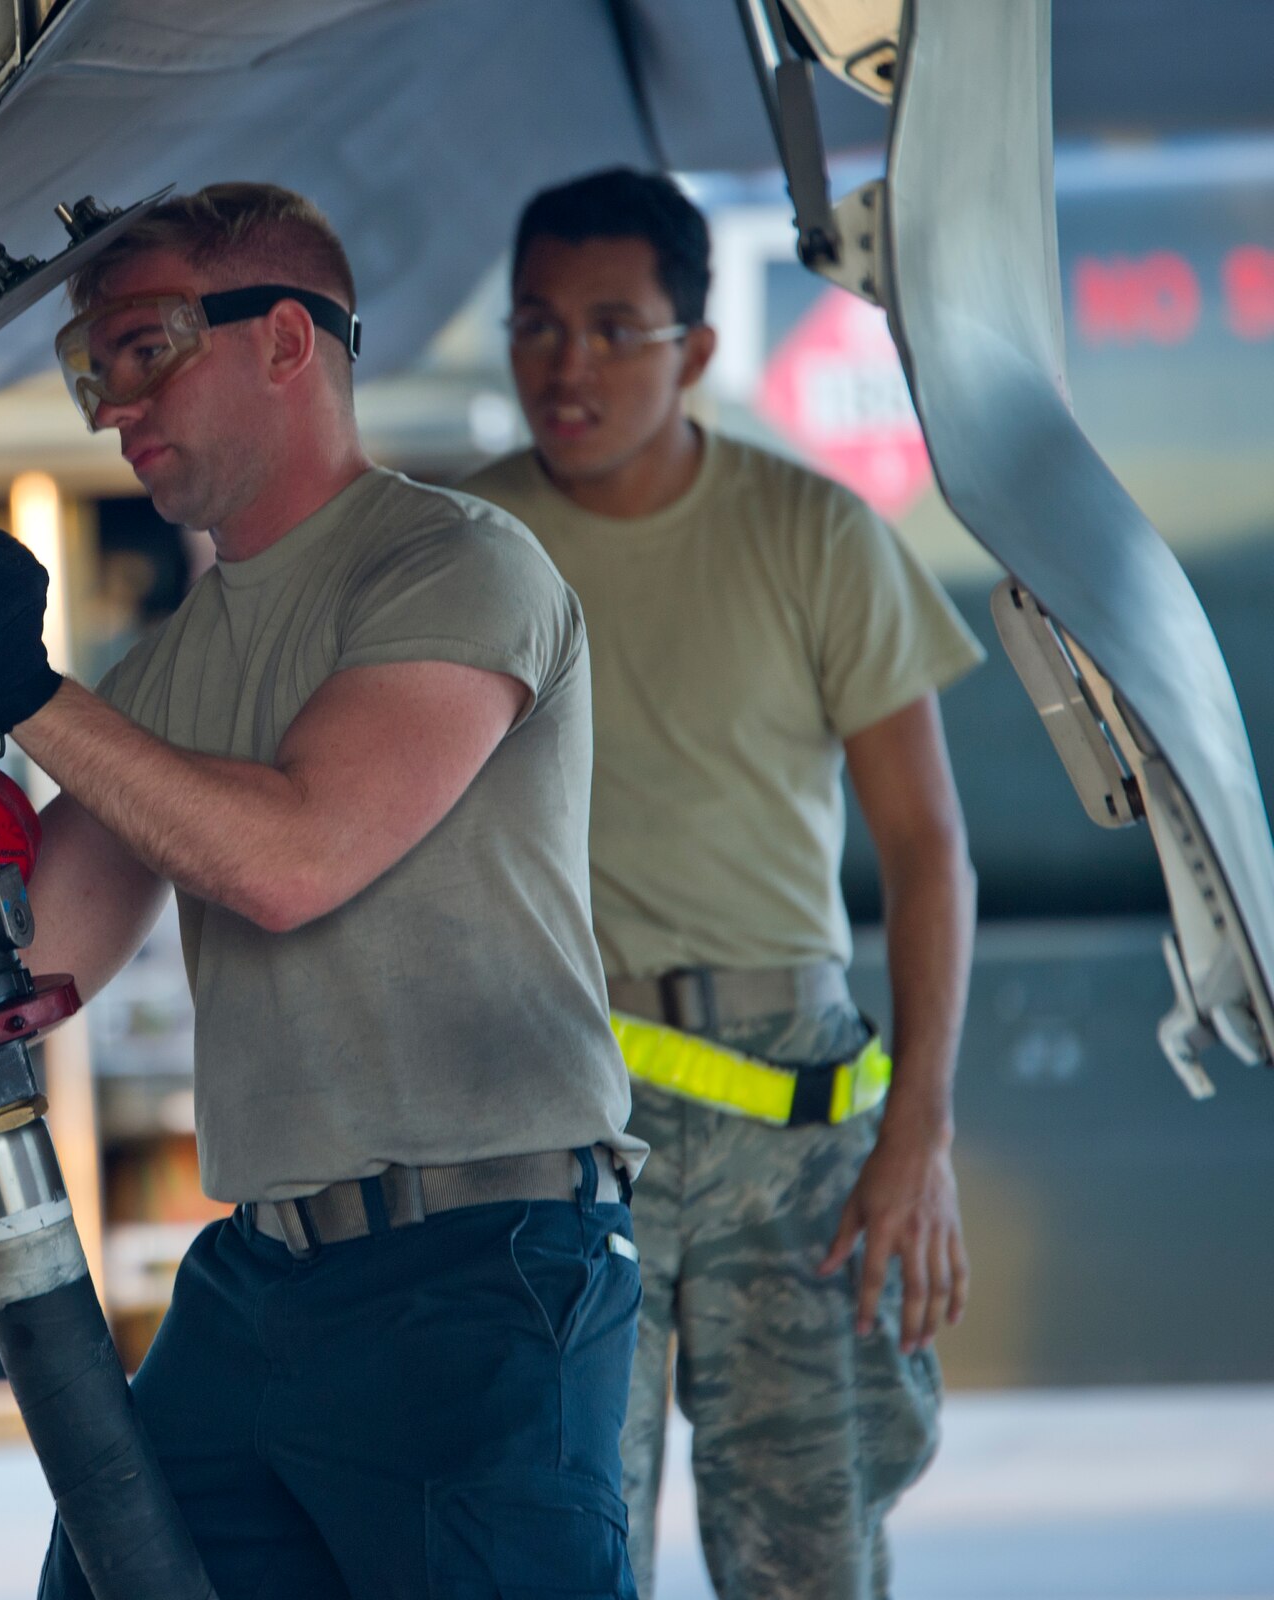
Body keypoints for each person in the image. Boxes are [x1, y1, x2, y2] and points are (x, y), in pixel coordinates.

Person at [0, 182, 646, 1599]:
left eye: (144, 352)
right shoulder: (180, 666)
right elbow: (10, 982)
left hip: (482, 1275)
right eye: (93, 371)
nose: (108, 407)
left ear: (287, 343)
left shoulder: (453, 565)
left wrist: (26, 689)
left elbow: (291, 861)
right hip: (264, 1283)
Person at [461, 168, 984, 1600]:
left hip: (794, 1119)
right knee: (549, 1544)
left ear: (694, 350)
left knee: (812, 1550)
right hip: (548, 1107)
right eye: (537, 325)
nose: (566, 366)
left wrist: (920, 1136)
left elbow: (928, 847)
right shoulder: (444, 552)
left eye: (612, 328)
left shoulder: (814, 532)